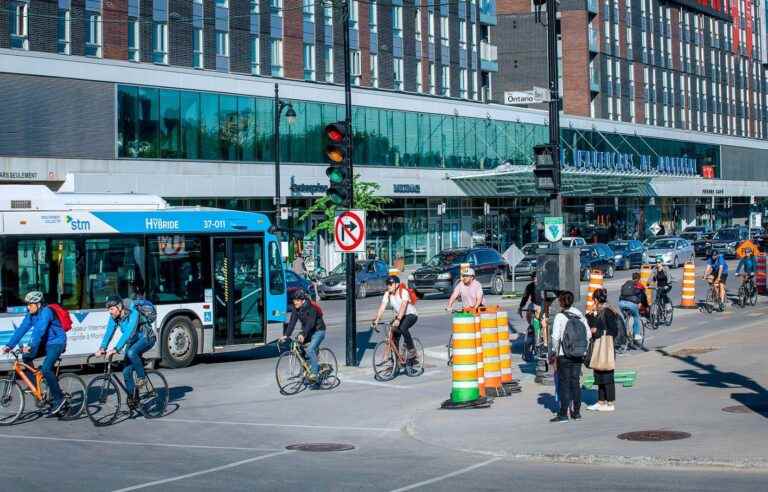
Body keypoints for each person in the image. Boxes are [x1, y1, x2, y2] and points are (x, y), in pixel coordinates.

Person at [0, 291, 68, 415]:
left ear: (38, 304)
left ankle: (60, 399)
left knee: (46, 369)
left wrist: (30, 346)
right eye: (27, 304)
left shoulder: (46, 312)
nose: (28, 307)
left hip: (57, 342)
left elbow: (39, 330)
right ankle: (36, 390)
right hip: (44, 343)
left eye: (30, 304)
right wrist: (9, 346)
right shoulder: (31, 315)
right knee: (26, 358)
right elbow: (21, 329)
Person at [95, 296, 156, 404]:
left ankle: (142, 378)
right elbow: (109, 332)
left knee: (131, 352)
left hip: (146, 338)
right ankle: (133, 398)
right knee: (126, 371)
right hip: (133, 341)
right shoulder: (114, 317)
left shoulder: (133, 312)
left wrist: (116, 348)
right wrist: (102, 348)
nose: (110, 312)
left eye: (112, 309)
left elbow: (129, 332)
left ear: (119, 307)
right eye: (108, 310)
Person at [549, 291, 591, 423]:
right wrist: (582, 349)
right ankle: (577, 412)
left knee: (564, 383)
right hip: (578, 354)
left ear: (561, 302)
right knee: (575, 383)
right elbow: (588, 334)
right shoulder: (579, 315)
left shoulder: (560, 317)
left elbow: (555, 337)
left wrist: (554, 352)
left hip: (564, 354)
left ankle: (563, 414)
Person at [281, 289, 327, 387]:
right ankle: (308, 366)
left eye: (297, 300)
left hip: (318, 331)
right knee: (297, 346)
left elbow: (310, 323)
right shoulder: (296, 308)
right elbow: (292, 322)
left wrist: (303, 334)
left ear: (302, 300)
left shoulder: (312, 307)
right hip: (308, 332)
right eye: (294, 300)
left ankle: (314, 373)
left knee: (310, 349)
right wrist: (286, 335)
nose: (295, 302)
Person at [585, 288, 619, 412]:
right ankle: (601, 402)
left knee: (607, 374)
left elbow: (614, 331)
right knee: (598, 373)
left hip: (606, 347)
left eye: (593, 299)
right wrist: (590, 315)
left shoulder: (608, 311)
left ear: (596, 299)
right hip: (599, 346)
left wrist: (599, 331)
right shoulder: (598, 311)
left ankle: (610, 403)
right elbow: (589, 322)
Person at [373, 276, 419, 363]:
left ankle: (412, 350)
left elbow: (403, 305)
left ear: (397, 284)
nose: (388, 286)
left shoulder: (403, 291)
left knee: (403, 328)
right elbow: (382, 307)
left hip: (411, 315)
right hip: (400, 316)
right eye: (387, 284)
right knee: (394, 335)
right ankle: (396, 361)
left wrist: (398, 319)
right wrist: (377, 320)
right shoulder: (388, 294)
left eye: (390, 284)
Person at [618, 272, 648, 344]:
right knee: (636, 317)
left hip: (621, 303)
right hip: (631, 304)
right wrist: (646, 306)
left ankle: (624, 334)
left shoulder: (626, 284)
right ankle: (636, 335)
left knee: (626, 317)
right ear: (639, 279)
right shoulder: (639, 285)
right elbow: (643, 298)